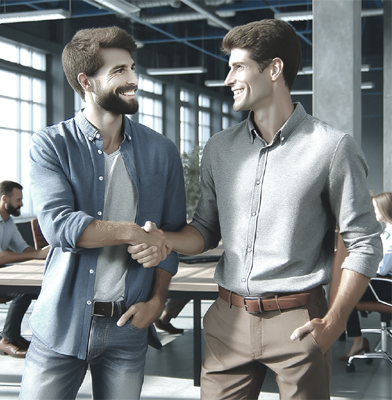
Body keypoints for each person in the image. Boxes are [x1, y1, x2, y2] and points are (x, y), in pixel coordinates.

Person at [129, 19, 382, 399]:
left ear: (274, 69)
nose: (228, 78)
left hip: (298, 322)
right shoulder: (218, 148)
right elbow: (204, 230)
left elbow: (364, 243)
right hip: (226, 320)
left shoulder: (331, 147)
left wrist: (332, 323)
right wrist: (165, 239)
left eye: (238, 67)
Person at [19, 26, 186, 400]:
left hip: (128, 327)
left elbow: (170, 235)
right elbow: (60, 226)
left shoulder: (161, 151)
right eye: (119, 71)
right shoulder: (51, 145)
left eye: (131, 68)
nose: (133, 80)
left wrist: (157, 302)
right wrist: (132, 232)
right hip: (60, 325)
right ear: (86, 82)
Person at [0, 180, 49, 358]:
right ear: (4, 199)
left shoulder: (8, 222)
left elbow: (23, 249)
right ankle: (7, 339)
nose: (21, 204)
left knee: (31, 291)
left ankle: (13, 336)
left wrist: (43, 253)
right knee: (22, 292)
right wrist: (36, 255)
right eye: (18, 200)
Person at [341, 192, 392, 360]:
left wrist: (366, 263)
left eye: (375, 208)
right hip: (382, 283)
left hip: (385, 285)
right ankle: (357, 339)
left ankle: (358, 341)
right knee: (348, 292)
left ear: (385, 209)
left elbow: (382, 269)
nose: (373, 211)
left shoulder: (391, 237)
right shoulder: (386, 234)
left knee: (346, 297)